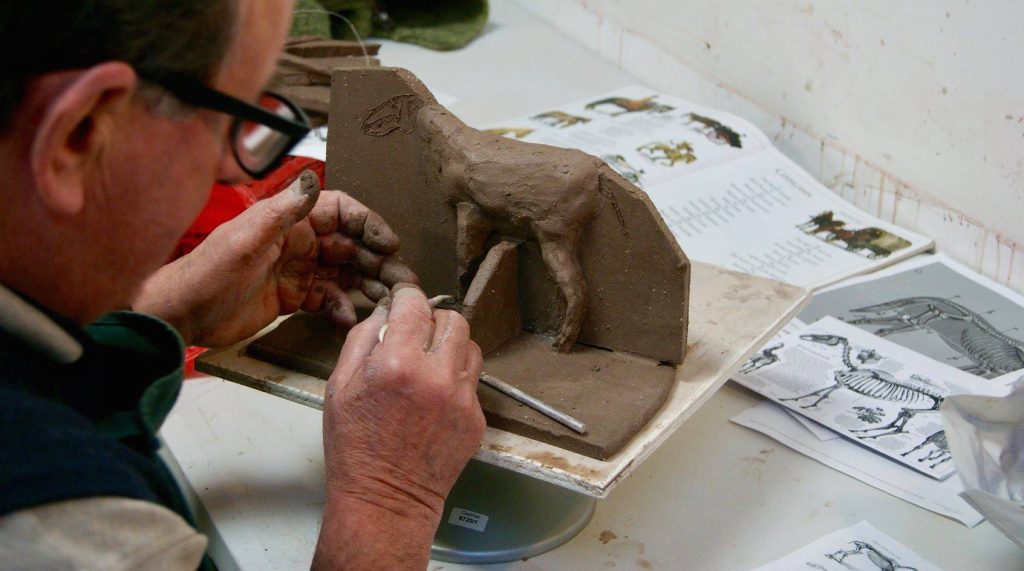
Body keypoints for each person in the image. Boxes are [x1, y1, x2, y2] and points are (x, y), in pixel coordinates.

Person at [0, 1, 485, 569]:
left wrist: (165, 311)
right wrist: (387, 499)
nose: (233, 173)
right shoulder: (76, 536)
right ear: (79, 132)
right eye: (229, 122)